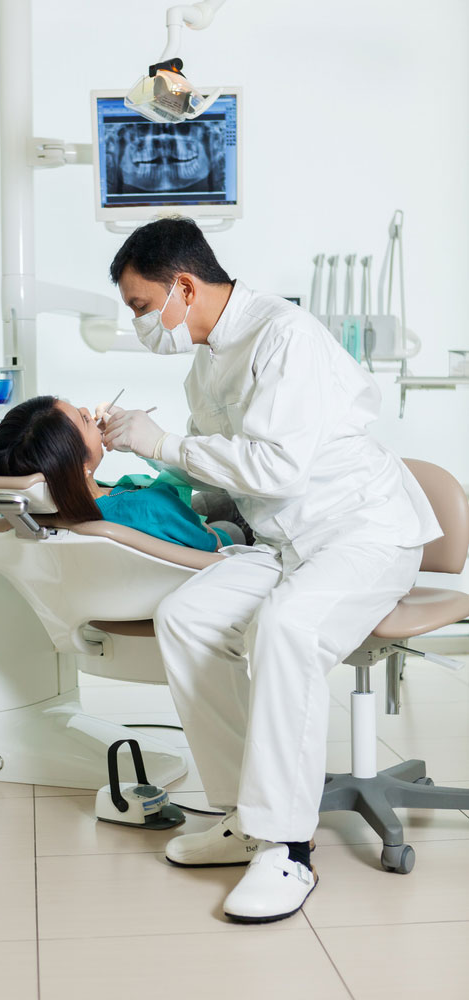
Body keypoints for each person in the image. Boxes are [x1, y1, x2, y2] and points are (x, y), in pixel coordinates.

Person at [103, 216, 442, 925]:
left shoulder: (283, 336)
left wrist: (162, 442)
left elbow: (277, 467)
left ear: (184, 286)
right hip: (289, 541)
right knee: (186, 615)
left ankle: (288, 847)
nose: (139, 322)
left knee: (285, 628)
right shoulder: (206, 364)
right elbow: (235, 481)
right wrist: (152, 478)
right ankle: (245, 815)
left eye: (140, 305)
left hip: (363, 534)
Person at [0, 394, 234, 552]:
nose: (89, 411)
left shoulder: (29, 516)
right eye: (84, 419)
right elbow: (211, 546)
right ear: (77, 466)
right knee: (233, 512)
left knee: (214, 503)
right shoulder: (151, 506)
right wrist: (154, 445)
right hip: (208, 548)